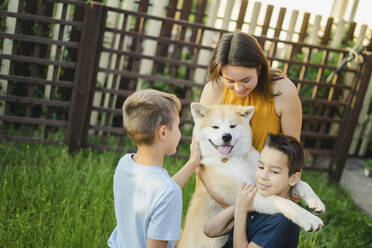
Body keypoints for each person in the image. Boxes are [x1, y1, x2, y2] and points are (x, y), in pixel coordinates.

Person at [198, 31, 302, 206]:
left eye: (246, 79)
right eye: (230, 80)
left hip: (265, 190)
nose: (238, 88)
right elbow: (199, 150)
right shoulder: (213, 89)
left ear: (259, 67)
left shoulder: (284, 91)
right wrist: (219, 197)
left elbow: (293, 151)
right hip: (218, 187)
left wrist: (285, 196)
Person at [107, 89, 201, 248]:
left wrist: (193, 163)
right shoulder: (167, 192)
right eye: (178, 126)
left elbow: (158, 194)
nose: (179, 132)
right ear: (163, 132)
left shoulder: (125, 164)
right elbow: (164, 193)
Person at [203, 133, 304, 248]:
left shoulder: (283, 219)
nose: (263, 176)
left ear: (294, 178)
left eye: (274, 172)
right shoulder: (259, 202)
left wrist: (241, 211)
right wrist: (241, 204)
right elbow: (210, 230)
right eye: (261, 167)